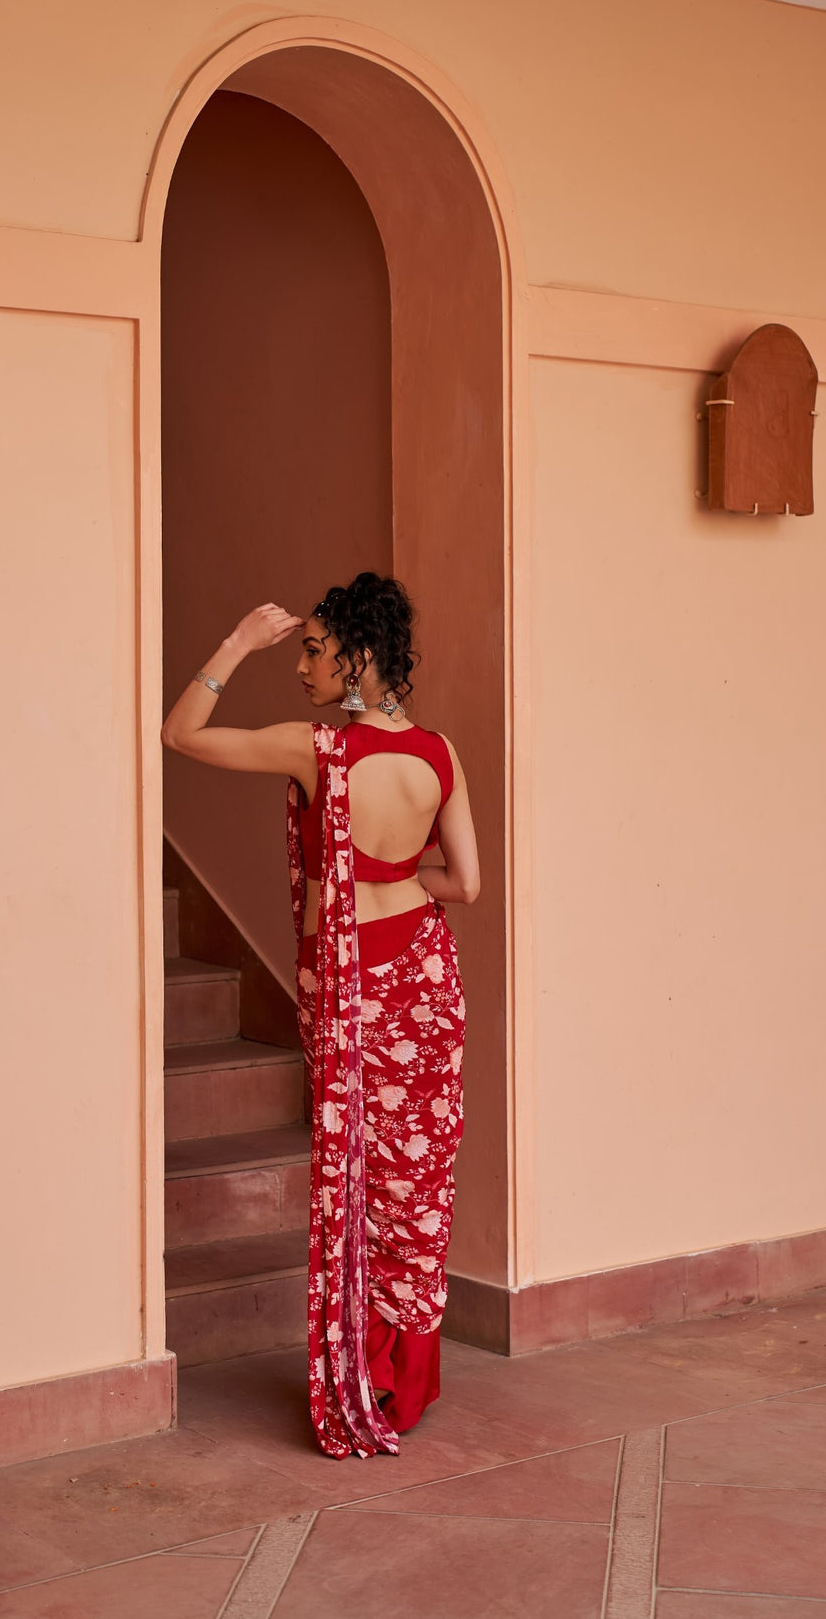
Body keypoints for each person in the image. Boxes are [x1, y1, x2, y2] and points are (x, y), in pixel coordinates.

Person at [161, 572, 480, 1459]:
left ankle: (364, 1371)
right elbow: (468, 884)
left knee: (360, 1177)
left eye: (312, 647)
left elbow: (180, 732)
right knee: (413, 1180)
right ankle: (403, 1374)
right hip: (423, 976)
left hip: (348, 985)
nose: (300, 663)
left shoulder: (319, 752)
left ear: (359, 654)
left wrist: (235, 641)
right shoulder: (439, 752)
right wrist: (398, 880)